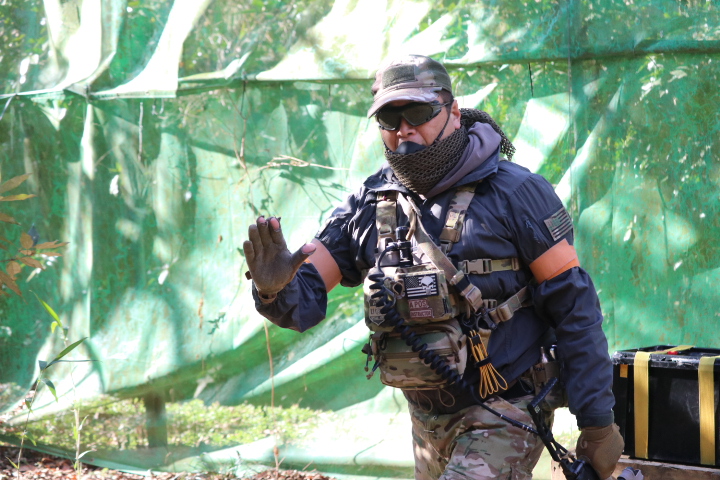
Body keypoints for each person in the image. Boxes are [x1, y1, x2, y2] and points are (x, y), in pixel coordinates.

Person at [243, 54, 623, 480]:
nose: (404, 129)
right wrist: (272, 288)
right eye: (389, 118)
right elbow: (306, 299)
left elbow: (575, 307)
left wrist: (597, 422)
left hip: (504, 412)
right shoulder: (369, 203)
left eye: (419, 113)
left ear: (454, 112)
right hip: (425, 421)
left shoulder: (517, 193)